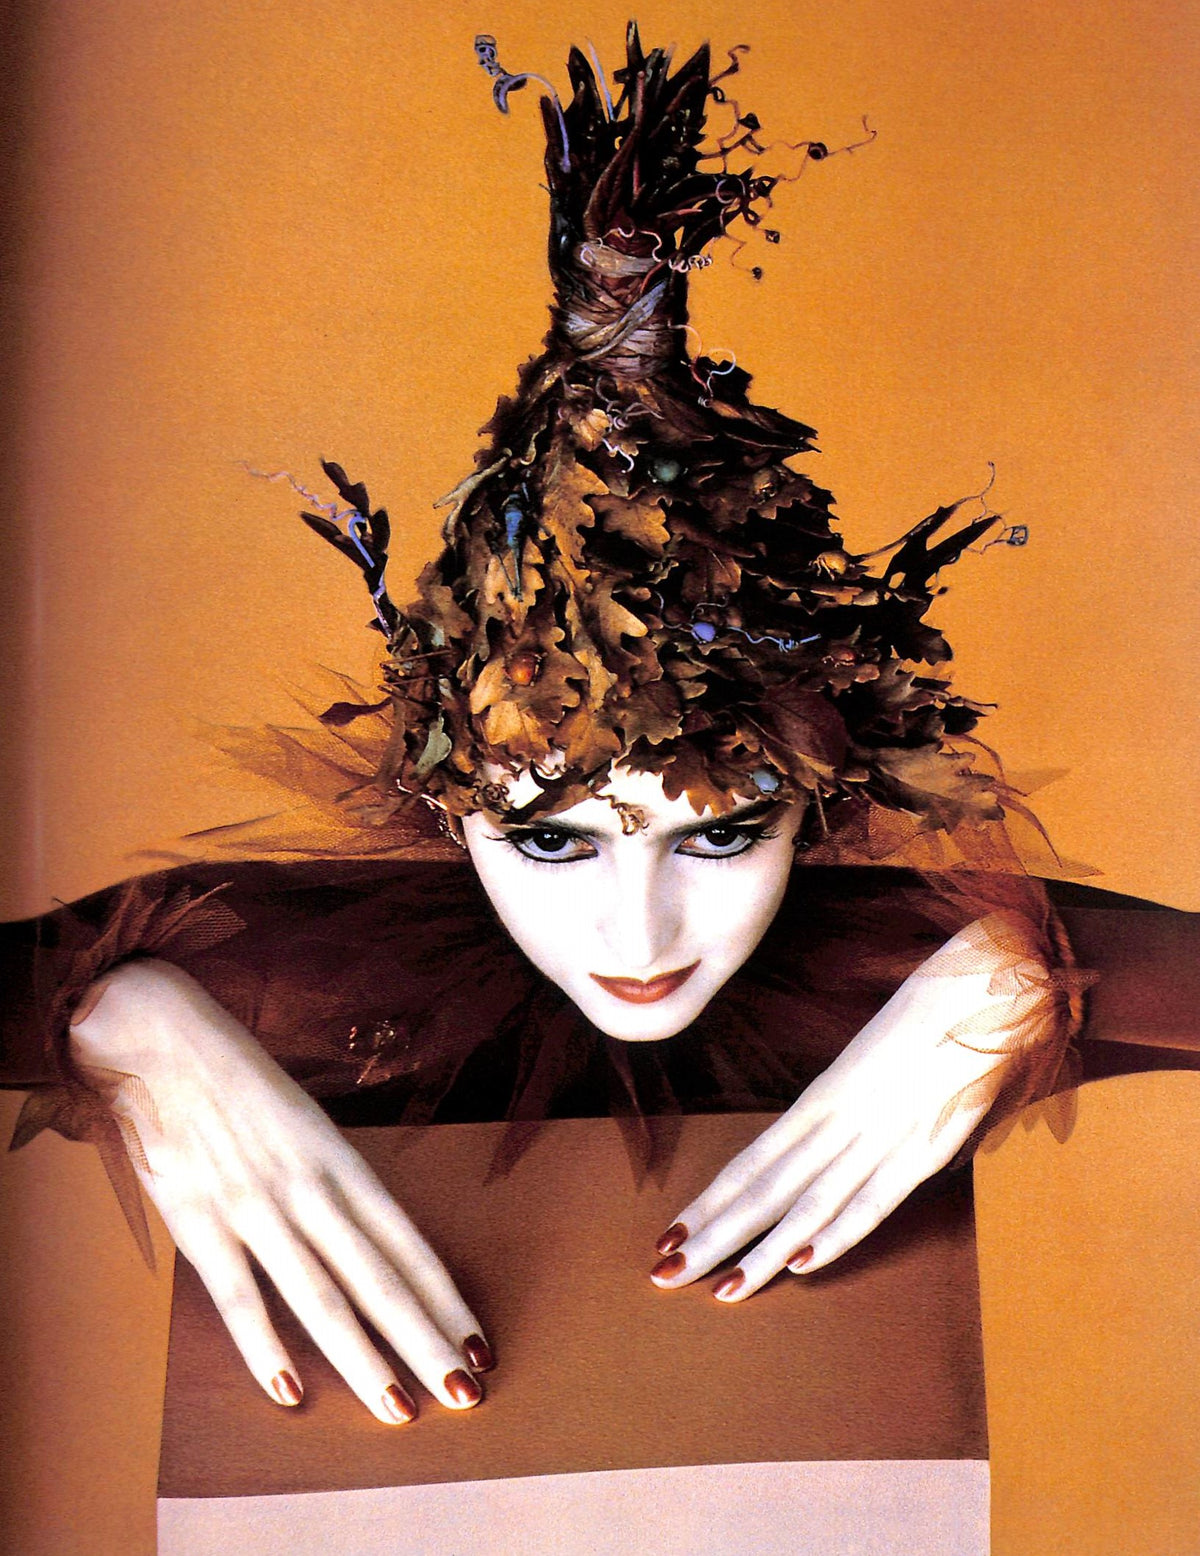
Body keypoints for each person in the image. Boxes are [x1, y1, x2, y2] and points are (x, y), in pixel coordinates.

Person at [1, 25, 1177, 1438]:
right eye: (551, 840)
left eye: (724, 834)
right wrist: (114, 1020)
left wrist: (1031, 980)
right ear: (446, 806)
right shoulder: (285, 968)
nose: (638, 934)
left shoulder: (889, 964)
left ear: (820, 798)